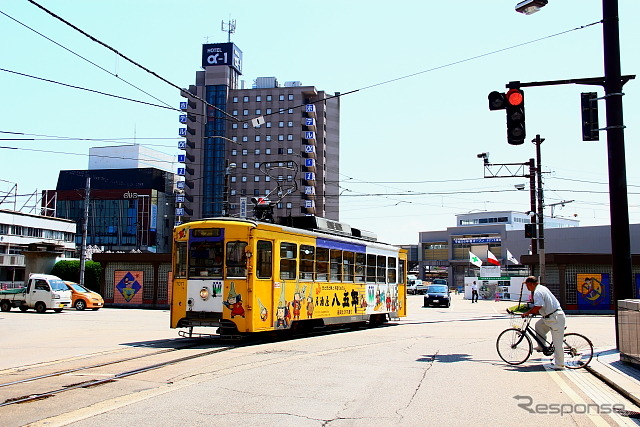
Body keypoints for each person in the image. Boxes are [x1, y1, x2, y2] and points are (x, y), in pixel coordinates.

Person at [521, 276, 566, 370]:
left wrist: (528, 313)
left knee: (558, 344)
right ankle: (542, 346)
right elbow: (542, 305)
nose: (527, 288)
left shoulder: (537, 292)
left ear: (532, 284)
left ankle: (560, 365)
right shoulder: (542, 288)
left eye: (528, 286)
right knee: (538, 325)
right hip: (549, 317)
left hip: (555, 318)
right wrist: (534, 312)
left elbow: (538, 306)